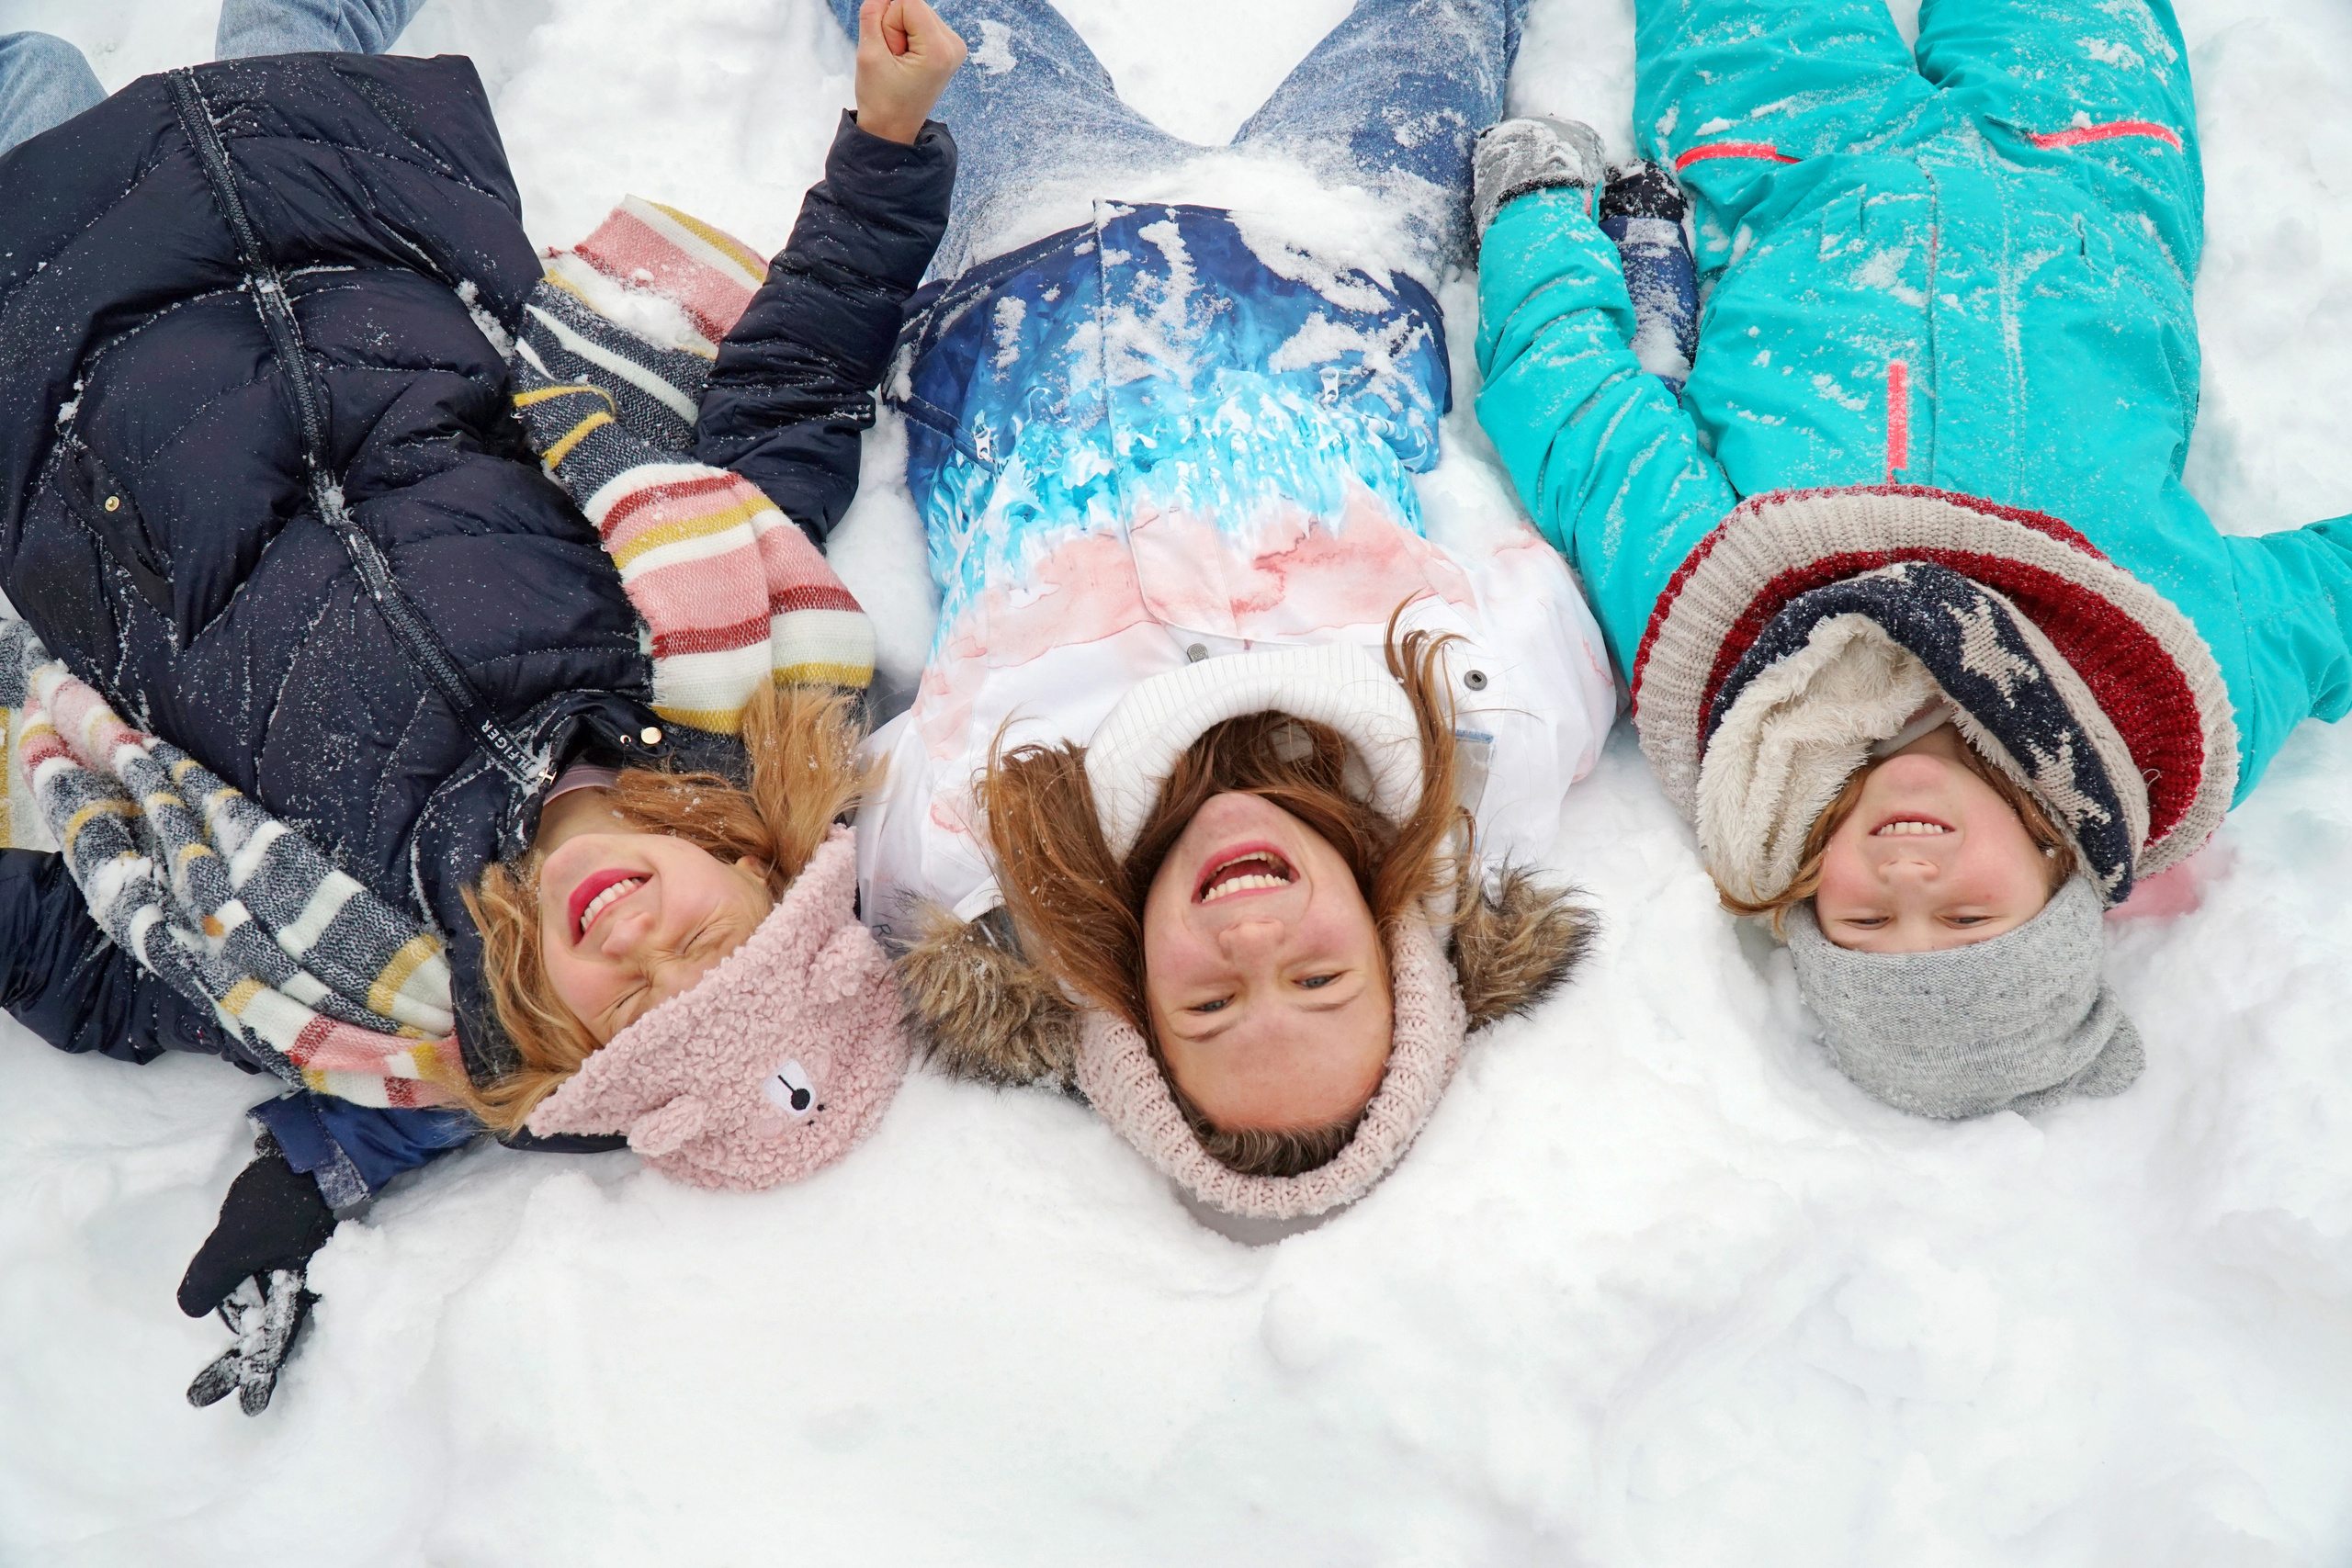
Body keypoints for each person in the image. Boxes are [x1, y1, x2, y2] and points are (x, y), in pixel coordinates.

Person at [0, 0, 960, 1407]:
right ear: (749, 855)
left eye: (626, 1008)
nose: (637, 937)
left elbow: (97, 962)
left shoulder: (358, 965)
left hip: (62, 337)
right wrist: (886, 140)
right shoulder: (708, 649)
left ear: (555, 1044)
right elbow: (792, 387)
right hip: (336, 208)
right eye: (705, 941)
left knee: (26, 82)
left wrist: (304, 1181)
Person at [1471, 0, 2352, 1118]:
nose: (1908, 885)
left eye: (1867, 927)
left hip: (1787, 150)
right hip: (2089, 167)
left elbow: (1583, 428)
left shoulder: (1727, 645)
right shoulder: (2172, 685)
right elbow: (2329, 603)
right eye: (1969, 921)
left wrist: (1533, 219)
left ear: (1804, 893)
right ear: (2055, 871)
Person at [847, 0, 1619, 1228]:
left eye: (1208, 1005)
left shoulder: (976, 840)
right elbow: (1559, 587)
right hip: (1330, 257)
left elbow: (792, 828)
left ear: (1129, 988)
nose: (1254, 938)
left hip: (1028, 263)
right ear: (1389, 942)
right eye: (1318, 977)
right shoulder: (1482, 752)